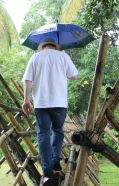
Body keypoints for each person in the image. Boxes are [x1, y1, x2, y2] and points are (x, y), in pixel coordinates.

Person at [22, 36, 78, 177]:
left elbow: (27, 80)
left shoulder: (35, 58)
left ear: (42, 45)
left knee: (43, 133)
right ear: (55, 45)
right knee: (58, 131)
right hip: (59, 103)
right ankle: (55, 159)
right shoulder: (63, 56)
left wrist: (26, 100)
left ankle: (47, 169)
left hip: (41, 103)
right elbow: (73, 76)